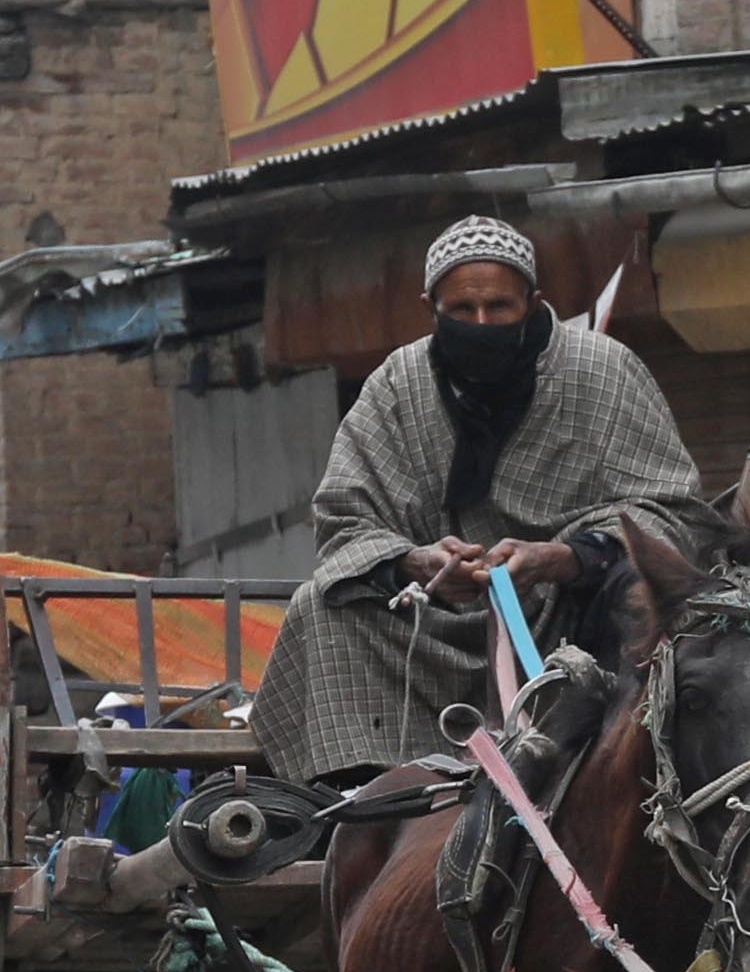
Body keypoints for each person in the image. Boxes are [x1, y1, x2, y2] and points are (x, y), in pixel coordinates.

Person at [248, 215, 709, 783]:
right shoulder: (397, 384)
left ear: (534, 301)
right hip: (434, 620)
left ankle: (618, 769)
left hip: (570, 617)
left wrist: (562, 559)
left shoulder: (604, 371)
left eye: (500, 307)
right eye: (462, 311)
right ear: (431, 307)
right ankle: (364, 796)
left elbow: (675, 514)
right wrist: (414, 561)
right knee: (319, 608)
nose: (482, 322)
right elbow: (345, 519)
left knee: (642, 601)